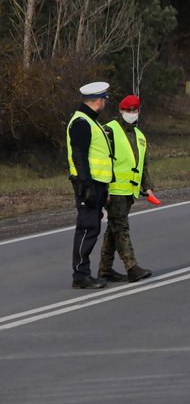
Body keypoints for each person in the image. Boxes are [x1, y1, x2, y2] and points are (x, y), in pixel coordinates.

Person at [99, 95, 154, 283]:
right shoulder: (109, 131)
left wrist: (148, 187)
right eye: (128, 110)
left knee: (113, 229)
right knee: (121, 227)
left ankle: (105, 269)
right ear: (121, 111)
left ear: (139, 111)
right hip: (113, 190)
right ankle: (132, 267)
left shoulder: (140, 136)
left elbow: (143, 165)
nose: (131, 114)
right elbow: (101, 161)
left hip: (129, 191)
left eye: (134, 110)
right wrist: (103, 189)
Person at [66, 81, 114, 289]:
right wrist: (87, 186)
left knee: (92, 228)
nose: (105, 103)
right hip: (88, 185)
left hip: (97, 185)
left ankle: (84, 273)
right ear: (98, 101)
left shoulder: (91, 122)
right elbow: (79, 156)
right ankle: (80, 275)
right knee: (86, 228)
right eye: (104, 99)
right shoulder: (81, 122)